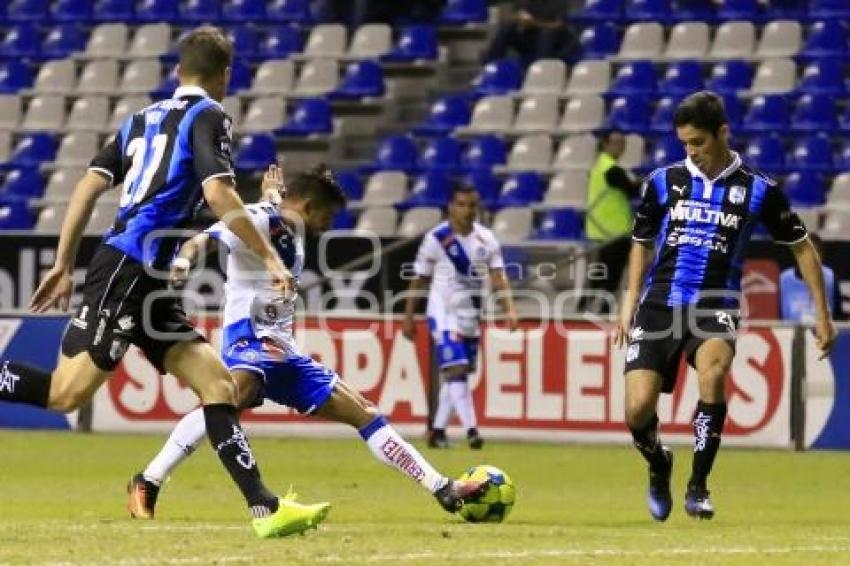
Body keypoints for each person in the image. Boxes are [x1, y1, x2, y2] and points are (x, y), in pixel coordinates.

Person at [0, 26, 329, 539]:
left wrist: (64, 261)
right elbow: (218, 192)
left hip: (145, 275)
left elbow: (87, 186)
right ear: (224, 76)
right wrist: (270, 257)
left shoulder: (139, 119)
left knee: (218, 384)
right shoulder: (211, 115)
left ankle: (265, 509)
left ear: (178, 72)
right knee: (65, 395)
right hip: (129, 269)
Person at [127, 166, 489, 521]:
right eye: (328, 215)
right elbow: (202, 239)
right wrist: (182, 262)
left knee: (364, 413)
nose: (329, 225)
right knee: (225, 399)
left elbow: (278, 212)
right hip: (249, 338)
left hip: (286, 351)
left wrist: (274, 195)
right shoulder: (256, 218)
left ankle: (442, 488)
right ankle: (149, 480)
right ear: (310, 207)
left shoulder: (288, 226)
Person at [613, 91, 836, 522]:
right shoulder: (664, 180)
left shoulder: (759, 188)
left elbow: (803, 249)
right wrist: (629, 304)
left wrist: (822, 314)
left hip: (717, 302)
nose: (691, 152)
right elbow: (641, 241)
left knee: (714, 372)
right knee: (637, 409)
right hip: (660, 303)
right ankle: (659, 465)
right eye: (684, 144)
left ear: (723, 132)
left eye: (698, 142)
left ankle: (698, 485)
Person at [402, 184, 518, 449]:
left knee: (460, 372)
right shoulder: (436, 239)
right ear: (451, 207)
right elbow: (419, 280)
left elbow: (498, 276)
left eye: (471, 205)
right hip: (442, 315)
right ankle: (472, 431)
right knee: (456, 369)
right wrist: (408, 317)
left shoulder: (486, 240)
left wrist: (509, 308)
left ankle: (438, 432)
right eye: (461, 205)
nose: (467, 211)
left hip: (471, 316)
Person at [583, 130, 642, 314]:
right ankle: (603, 310)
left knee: (599, 273)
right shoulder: (611, 169)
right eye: (616, 142)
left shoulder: (600, 166)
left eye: (623, 142)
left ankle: (584, 306)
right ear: (605, 144)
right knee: (610, 275)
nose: (621, 146)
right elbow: (632, 190)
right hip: (613, 231)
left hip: (603, 229)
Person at [481, 0, 574, 66]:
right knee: (507, 28)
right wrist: (516, 19)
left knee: (547, 34)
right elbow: (511, 17)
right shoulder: (525, 2)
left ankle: (540, 68)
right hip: (530, 38)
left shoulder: (558, 2)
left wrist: (534, 23)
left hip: (554, 42)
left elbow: (559, 25)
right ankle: (490, 64)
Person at [780, 233, 837, 322]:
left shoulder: (830, 277)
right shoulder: (784, 279)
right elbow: (776, 317)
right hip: (789, 334)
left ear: (822, 256)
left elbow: (839, 318)